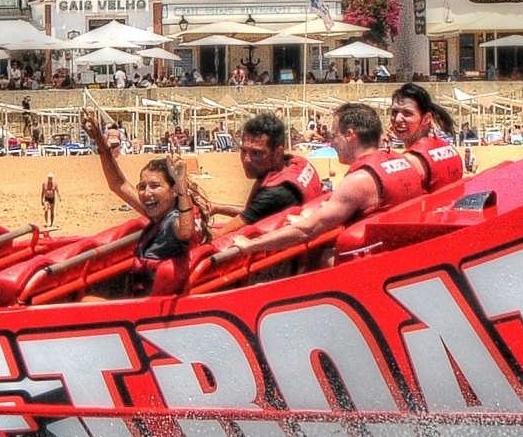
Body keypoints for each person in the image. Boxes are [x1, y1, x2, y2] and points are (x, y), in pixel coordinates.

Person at [216, 102, 425, 271]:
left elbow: (307, 231)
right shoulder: (402, 162)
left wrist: (249, 246)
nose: (332, 142)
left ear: (350, 135)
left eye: (335, 135)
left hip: (368, 267)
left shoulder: (359, 180)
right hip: (400, 256)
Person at [79, 112, 210, 296]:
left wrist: (181, 184)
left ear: (172, 191)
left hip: (146, 308)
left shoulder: (173, 222)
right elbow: (119, 185)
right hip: (141, 296)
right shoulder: (161, 213)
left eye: (155, 186)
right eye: (142, 186)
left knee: (86, 301)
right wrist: (101, 142)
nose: (146, 193)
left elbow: (185, 230)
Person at [221, 110, 327, 229]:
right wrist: (217, 208)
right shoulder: (293, 164)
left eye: (256, 153)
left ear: (277, 152)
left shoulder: (276, 193)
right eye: (244, 151)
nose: (247, 160)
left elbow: (221, 234)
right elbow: (256, 212)